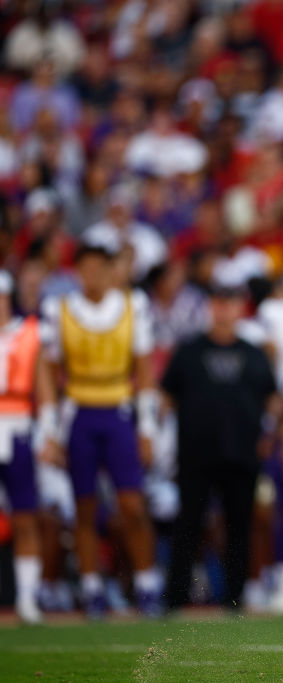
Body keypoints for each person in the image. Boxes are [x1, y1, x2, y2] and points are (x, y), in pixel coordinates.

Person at [36, 229, 162, 618]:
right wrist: (50, 430)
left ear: (112, 270)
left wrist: (147, 428)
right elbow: (47, 370)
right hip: (80, 410)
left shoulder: (132, 305)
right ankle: (91, 587)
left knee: (132, 503)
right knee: (84, 506)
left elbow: (144, 368)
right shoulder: (59, 309)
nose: (93, 274)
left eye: (100, 267)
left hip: (119, 408)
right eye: (86, 267)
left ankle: (146, 582)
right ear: (78, 271)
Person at [162, 262, 279, 611]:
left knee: (238, 526)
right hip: (196, 453)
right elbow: (166, 397)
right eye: (218, 302)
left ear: (240, 309)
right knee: (188, 524)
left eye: (230, 303)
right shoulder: (188, 351)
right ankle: (176, 596)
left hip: (241, 452)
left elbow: (272, 399)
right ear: (210, 307)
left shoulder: (254, 354)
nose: (224, 309)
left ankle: (235, 596)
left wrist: (268, 435)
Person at [0, 270, 45, 622]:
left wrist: (47, 433)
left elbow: (43, 389)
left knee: (26, 515)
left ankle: (28, 597)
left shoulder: (29, 332)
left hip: (18, 428)